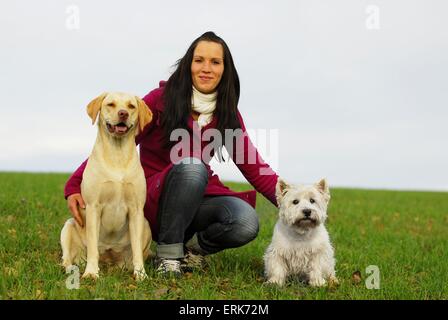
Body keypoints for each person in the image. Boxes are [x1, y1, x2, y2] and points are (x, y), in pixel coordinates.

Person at [65, 31, 279, 276]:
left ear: (225, 69)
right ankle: (167, 257)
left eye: (215, 62)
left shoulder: (226, 113)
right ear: (188, 64)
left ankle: (190, 253)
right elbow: (113, 144)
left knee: (245, 221)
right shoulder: (161, 99)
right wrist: (74, 184)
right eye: (199, 60)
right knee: (191, 165)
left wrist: (296, 201)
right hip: (154, 200)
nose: (206, 68)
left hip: (196, 196)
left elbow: (255, 166)